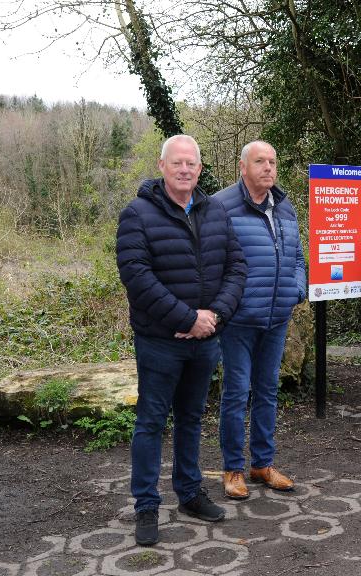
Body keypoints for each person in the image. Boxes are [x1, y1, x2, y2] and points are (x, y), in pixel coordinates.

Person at [116, 134, 247, 546]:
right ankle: (146, 505)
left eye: (192, 163)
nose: (185, 169)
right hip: (160, 341)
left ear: (200, 169)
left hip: (205, 340)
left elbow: (237, 268)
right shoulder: (136, 214)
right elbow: (137, 278)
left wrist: (214, 318)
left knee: (191, 419)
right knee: (151, 423)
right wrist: (187, 318)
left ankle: (189, 493)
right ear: (162, 166)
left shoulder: (215, 212)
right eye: (177, 163)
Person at [213, 140, 307, 499]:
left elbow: (298, 259)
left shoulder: (285, 207)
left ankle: (262, 464)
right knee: (236, 394)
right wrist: (227, 304)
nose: (268, 167)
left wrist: (295, 291)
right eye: (260, 161)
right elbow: (211, 263)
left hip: (276, 318)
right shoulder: (221, 205)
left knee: (267, 391)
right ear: (243, 167)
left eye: (272, 161)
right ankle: (233, 469)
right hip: (238, 321)